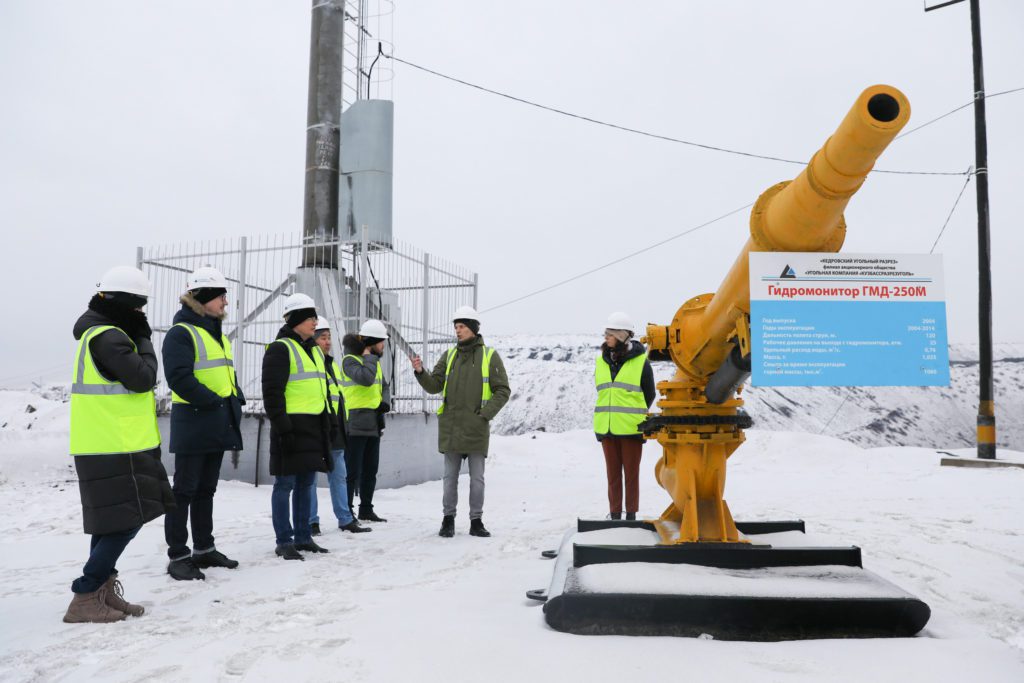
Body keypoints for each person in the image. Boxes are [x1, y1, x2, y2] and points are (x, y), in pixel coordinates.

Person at [65, 266, 174, 623]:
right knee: (127, 520)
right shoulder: (108, 336)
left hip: (108, 441)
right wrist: (144, 339)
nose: (142, 313)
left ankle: (102, 591)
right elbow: (143, 379)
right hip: (115, 444)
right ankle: (86, 592)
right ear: (126, 304)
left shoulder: (96, 333)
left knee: (111, 522)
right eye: (139, 307)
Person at [161, 266, 244, 581]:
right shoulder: (182, 332)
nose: (225, 302)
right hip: (195, 421)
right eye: (222, 296)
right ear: (206, 297)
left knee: (206, 490)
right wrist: (214, 402)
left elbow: (224, 374)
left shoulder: (214, 333)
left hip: (216, 421)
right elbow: (179, 378)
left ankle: (204, 549)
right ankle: (178, 556)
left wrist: (235, 397)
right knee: (184, 490)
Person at [411, 305, 510, 538]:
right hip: (452, 427)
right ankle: (448, 520)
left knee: (477, 480)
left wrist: (484, 415)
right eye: (456, 327)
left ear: (474, 328)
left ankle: (476, 521)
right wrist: (420, 372)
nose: (458, 331)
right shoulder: (449, 355)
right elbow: (434, 385)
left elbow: (503, 390)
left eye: (462, 326)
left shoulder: (489, 356)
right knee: (449, 479)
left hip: (476, 428)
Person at [262, 293, 333, 560]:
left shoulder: (314, 349)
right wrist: (283, 429)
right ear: (297, 320)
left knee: (306, 483)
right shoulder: (280, 348)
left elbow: (321, 389)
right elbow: (272, 393)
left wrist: (328, 423)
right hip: (291, 427)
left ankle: (304, 537)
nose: (315, 322)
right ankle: (284, 540)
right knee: (285, 484)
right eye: (310, 318)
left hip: (314, 426)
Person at [307, 317, 370, 535]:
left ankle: (345, 518)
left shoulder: (332, 364)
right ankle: (311, 521)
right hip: (316, 427)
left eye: (329, 338)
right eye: (323, 338)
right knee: (310, 479)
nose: (327, 342)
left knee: (339, 475)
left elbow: (338, 397)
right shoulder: (309, 364)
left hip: (335, 428)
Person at [593, 312, 656, 521]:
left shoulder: (641, 362)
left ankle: (630, 515)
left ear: (622, 336)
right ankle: (614, 515)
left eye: (609, 334)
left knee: (631, 475)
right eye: (606, 334)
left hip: (631, 428)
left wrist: (635, 413)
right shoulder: (601, 361)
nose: (606, 338)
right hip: (607, 428)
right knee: (612, 475)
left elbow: (649, 393)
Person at [340, 319, 391, 523]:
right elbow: (366, 378)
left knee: (370, 470)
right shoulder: (349, 361)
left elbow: (384, 385)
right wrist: (369, 357)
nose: (384, 347)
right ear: (371, 343)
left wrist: (384, 404)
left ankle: (366, 509)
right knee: (352, 472)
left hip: (373, 423)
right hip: (355, 423)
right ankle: (347, 511)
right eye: (381, 343)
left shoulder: (374, 364)